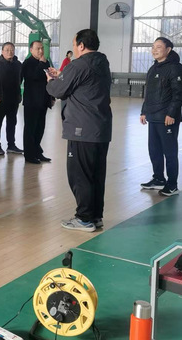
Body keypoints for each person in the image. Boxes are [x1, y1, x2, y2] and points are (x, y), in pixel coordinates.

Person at [46, 29, 112, 232]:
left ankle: (83, 218)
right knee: (96, 174)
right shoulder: (102, 63)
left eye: (74, 44)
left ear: (81, 45)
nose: (74, 48)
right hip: (100, 128)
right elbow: (81, 84)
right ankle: (95, 216)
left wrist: (51, 81)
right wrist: (62, 76)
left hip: (82, 129)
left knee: (80, 175)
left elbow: (58, 90)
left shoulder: (79, 64)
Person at [139, 37, 182, 196]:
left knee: (169, 152)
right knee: (154, 150)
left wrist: (171, 113)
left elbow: (180, 93)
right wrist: (144, 111)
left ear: (168, 49)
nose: (154, 50)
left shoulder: (175, 68)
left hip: (167, 118)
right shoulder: (153, 68)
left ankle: (172, 185)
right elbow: (149, 93)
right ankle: (158, 179)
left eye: (158, 47)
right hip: (153, 116)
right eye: (153, 47)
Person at [21, 40, 53, 164]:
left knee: (40, 128)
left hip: (43, 101)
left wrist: (51, 97)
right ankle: (29, 155)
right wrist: (41, 63)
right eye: (38, 48)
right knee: (30, 129)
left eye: (42, 48)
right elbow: (32, 77)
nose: (41, 51)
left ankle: (37, 151)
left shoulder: (46, 62)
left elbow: (49, 79)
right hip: (32, 102)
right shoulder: (27, 63)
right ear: (31, 50)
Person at [0, 42, 23, 156]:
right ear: (2, 51)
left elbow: (20, 79)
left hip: (14, 99)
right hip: (0, 100)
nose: (10, 52)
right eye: (7, 50)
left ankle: (11, 145)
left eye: (12, 50)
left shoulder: (18, 64)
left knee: (12, 123)